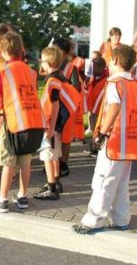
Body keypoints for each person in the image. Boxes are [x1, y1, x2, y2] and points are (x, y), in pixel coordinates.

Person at [73, 44, 137, 234]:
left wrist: (101, 134)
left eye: (111, 60)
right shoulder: (134, 84)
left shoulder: (115, 83)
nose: (109, 64)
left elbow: (113, 108)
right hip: (128, 140)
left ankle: (93, 221)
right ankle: (121, 218)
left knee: (104, 181)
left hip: (113, 140)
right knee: (120, 182)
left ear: (117, 61)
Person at [0, 32, 45, 212]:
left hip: (11, 123)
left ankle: (2, 200)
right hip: (32, 121)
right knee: (25, 162)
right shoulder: (31, 71)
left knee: (7, 163)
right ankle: (22, 196)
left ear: (2, 51)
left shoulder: (2, 72)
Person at [34, 46, 79, 200]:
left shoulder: (52, 81)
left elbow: (54, 105)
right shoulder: (58, 77)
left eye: (42, 61)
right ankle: (56, 182)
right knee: (54, 156)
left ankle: (51, 188)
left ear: (47, 63)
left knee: (48, 156)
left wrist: (51, 128)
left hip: (50, 126)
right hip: (56, 126)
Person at [53, 37, 84, 176]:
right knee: (55, 135)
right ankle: (54, 162)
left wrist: (62, 83)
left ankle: (63, 164)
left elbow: (76, 86)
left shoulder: (71, 67)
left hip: (67, 105)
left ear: (64, 53)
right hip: (55, 105)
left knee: (65, 137)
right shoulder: (54, 65)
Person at [84, 57, 109, 157]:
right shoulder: (92, 77)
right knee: (93, 126)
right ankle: (94, 146)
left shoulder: (107, 79)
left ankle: (98, 147)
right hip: (93, 107)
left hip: (100, 109)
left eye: (93, 67)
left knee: (99, 128)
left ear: (101, 67)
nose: (91, 69)